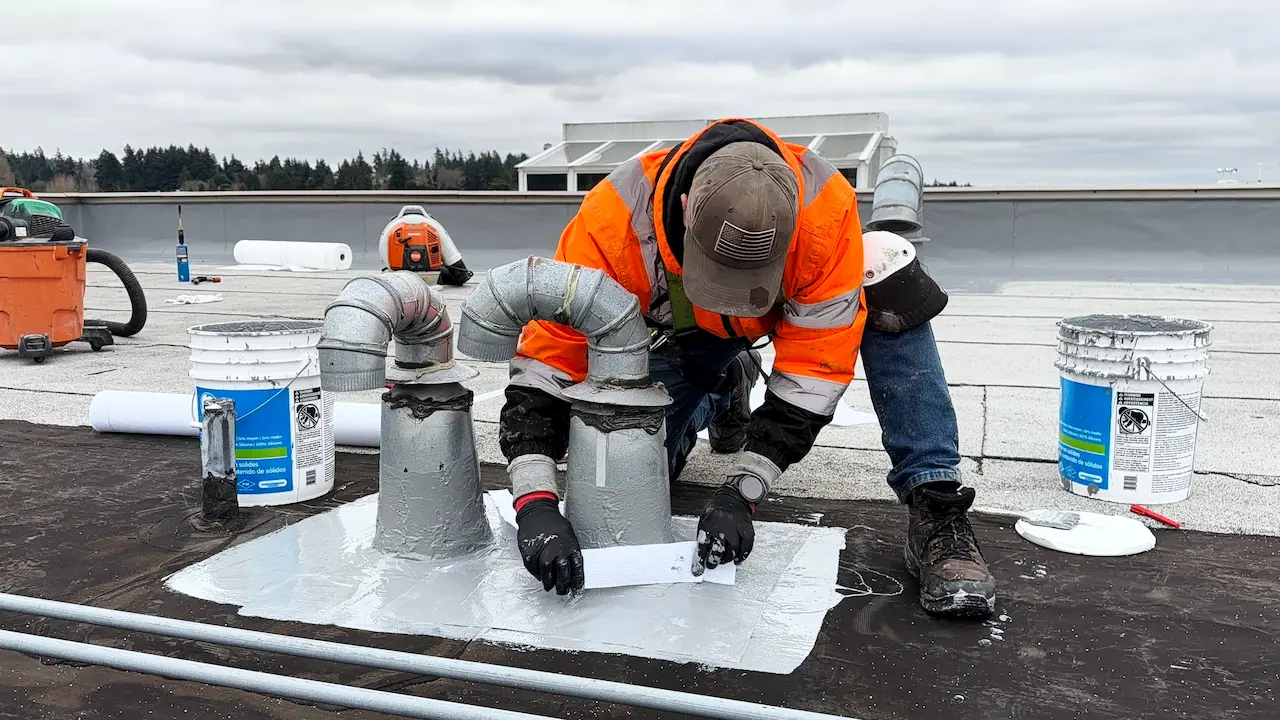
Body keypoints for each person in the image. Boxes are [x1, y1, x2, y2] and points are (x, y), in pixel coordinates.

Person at [497, 118, 996, 619]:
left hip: (782, 318)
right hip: (680, 338)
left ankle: (936, 502)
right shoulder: (612, 223)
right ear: (687, 207)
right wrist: (535, 503)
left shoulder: (824, 215)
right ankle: (721, 387)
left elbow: (813, 373)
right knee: (638, 477)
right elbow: (548, 363)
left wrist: (744, 489)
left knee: (890, 274)